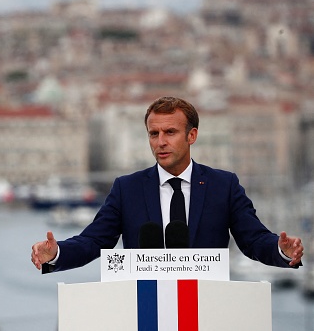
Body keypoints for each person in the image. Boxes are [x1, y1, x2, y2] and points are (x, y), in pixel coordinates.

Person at [31, 96, 304, 273]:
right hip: (145, 310)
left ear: (192, 135)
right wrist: (57, 253)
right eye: (153, 133)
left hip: (207, 310)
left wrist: (282, 251)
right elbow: (93, 241)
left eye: (170, 132)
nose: (160, 141)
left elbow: (253, 239)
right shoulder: (127, 189)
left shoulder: (224, 185)